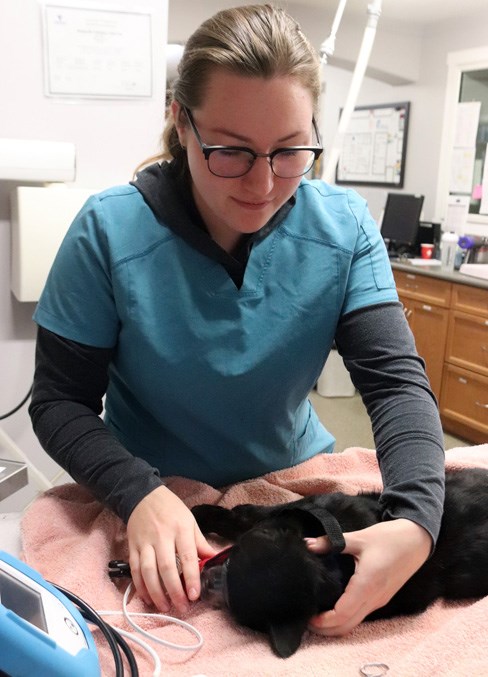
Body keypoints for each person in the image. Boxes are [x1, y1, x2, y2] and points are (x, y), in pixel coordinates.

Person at [29, 4, 445, 636]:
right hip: (153, 492)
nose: (263, 183)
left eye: (289, 151)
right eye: (230, 151)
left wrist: (415, 521)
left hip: (290, 482)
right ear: (180, 121)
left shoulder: (343, 227)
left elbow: (394, 384)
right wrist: (139, 494)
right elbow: (59, 402)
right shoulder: (109, 232)